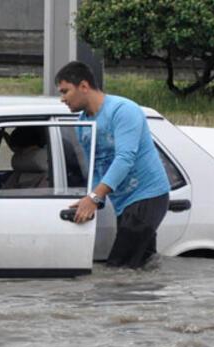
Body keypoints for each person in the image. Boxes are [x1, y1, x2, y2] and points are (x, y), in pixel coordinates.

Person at [55, 61, 171, 268]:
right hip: (122, 202)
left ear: (83, 86)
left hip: (147, 194)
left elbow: (125, 158)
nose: (62, 98)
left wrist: (94, 197)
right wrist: (92, 199)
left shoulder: (123, 110)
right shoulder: (84, 123)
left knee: (118, 269)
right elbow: (98, 164)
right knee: (142, 266)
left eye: (65, 91)